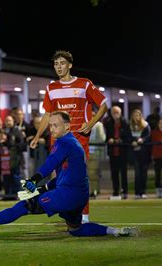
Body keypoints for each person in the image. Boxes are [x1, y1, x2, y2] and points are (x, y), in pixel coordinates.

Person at [0, 111, 137, 238]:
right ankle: (115, 231)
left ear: (67, 126)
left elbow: (49, 165)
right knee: (76, 230)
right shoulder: (73, 142)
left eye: (55, 125)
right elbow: (63, 175)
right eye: (50, 125)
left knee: (24, 206)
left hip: (67, 195)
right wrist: (43, 187)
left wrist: (34, 180)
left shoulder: (64, 142)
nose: (51, 129)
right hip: (79, 195)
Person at [30, 50, 108, 223]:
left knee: (79, 177)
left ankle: (85, 217)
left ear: (70, 65)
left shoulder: (84, 84)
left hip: (78, 140)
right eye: (56, 64)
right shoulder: (51, 88)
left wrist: (91, 123)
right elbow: (48, 115)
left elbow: (103, 105)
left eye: (62, 63)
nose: (59, 67)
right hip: (58, 140)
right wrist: (37, 136)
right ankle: (69, 215)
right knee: (59, 179)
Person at [103, 106, 132, 199]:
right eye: (113, 112)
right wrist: (109, 140)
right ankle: (116, 192)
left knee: (123, 173)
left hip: (123, 152)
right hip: (112, 152)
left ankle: (125, 192)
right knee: (114, 173)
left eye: (117, 112)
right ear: (111, 113)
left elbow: (128, 138)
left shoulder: (126, 123)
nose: (115, 114)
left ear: (120, 113)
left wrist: (120, 140)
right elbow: (106, 138)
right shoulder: (108, 123)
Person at [129, 109, 152, 199]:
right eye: (134, 115)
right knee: (137, 174)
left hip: (144, 153)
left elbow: (148, 136)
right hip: (135, 153)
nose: (136, 117)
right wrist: (133, 141)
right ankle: (137, 193)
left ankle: (143, 192)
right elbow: (127, 136)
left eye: (137, 115)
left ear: (140, 116)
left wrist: (142, 139)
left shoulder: (146, 125)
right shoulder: (130, 126)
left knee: (144, 173)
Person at [151, 118, 162, 196]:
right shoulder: (154, 133)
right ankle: (158, 190)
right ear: (158, 124)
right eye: (160, 123)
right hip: (157, 156)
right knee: (157, 173)